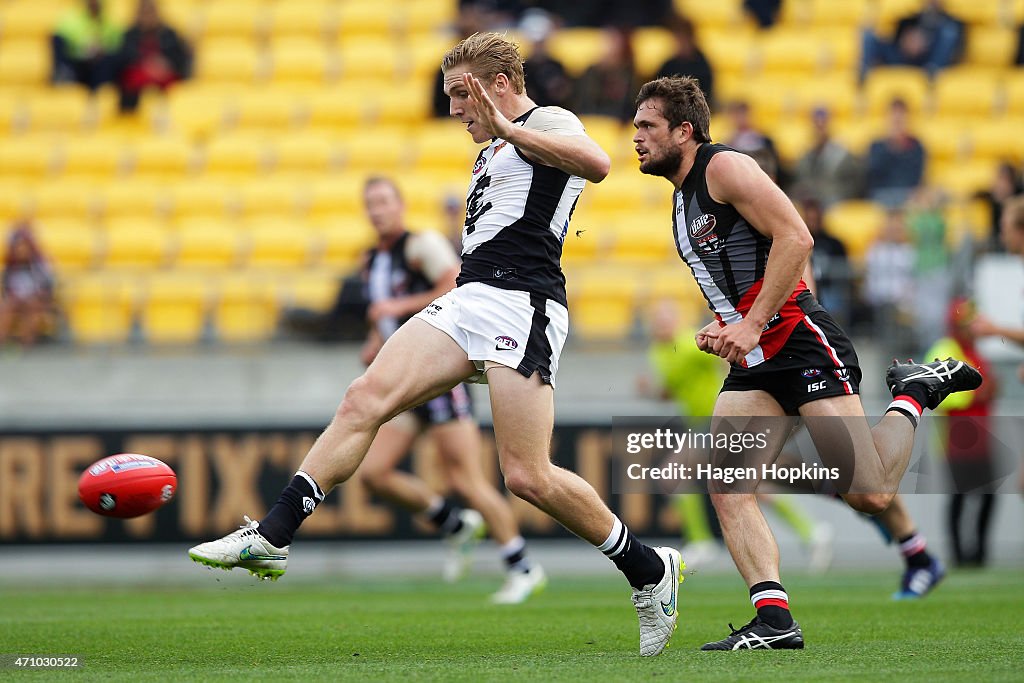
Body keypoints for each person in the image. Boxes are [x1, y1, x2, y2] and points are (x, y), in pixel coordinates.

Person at [191, 32, 683, 657]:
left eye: (461, 94)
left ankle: (648, 570)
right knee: (363, 398)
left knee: (527, 477)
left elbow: (598, 165)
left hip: (522, 302)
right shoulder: (492, 146)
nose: (454, 109)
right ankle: (272, 534)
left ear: (500, 84)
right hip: (470, 296)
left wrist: (510, 127)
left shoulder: (545, 119)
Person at [631, 75, 981, 650]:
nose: (636, 136)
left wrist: (750, 323)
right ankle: (774, 621)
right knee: (727, 484)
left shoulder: (724, 167)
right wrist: (727, 324)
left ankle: (913, 394)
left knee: (869, 494)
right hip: (757, 359)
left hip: (800, 343)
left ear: (684, 131)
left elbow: (797, 238)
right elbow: (751, 269)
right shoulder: (680, 198)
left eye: (647, 125)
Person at [356, 175, 546, 603]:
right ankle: (454, 524)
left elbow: (454, 287)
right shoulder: (371, 260)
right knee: (373, 473)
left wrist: (395, 309)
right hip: (405, 379)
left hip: (438, 376)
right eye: (370, 203)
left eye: (384, 200)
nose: (377, 209)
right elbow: (381, 312)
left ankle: (523, 566)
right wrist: (375, 341)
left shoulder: (419, 245)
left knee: (467, 480)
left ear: (400, 205)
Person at [924, 299, 998, 568]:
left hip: (982, 437)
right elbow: (933, 393)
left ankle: (978, 554)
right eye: (968, 324)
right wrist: (977, 394)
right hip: (956, 440)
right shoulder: (945, 349)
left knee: (988, 496)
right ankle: (960, 556)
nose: (973, 329)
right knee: (960, 497)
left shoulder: (976, 351)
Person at [114, 0, 192, 113]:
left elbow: (179, 58)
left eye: (150, 12)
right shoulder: (129, 35)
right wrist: (146, 64)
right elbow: (122, 60)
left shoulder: (169, 34)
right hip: (138, 78)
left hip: (165, 78)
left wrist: (164, 64)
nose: (148, 17)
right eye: (144, 13)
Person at [859, 0, 964, 82]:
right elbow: (896, 36)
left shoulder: (951, 21)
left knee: (949, 32)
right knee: (868, 34)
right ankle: (864, 75)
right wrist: (906, 42)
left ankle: (933, 71)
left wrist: (924, 45)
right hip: (901, 57)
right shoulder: (912, 15)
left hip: (927, 62)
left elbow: (955, 47)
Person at [790, 107, 863, 208]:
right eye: (817, 123)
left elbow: (853, 185)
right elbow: (801, 179)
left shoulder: (842, 154)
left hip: (835, 200)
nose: (820, 128)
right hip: (810, 201)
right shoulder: (804, 153)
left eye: (823, 124)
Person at [0, 223, 55, 347]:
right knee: (6, 308)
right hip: (16, 300)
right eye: (18, 247)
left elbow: (48, 287)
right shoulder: (10, 267)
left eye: (24, 246)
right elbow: (6, 289)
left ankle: (26, 345)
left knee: (34, 308)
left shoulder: (40, 265)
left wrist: (36, 297)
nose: (21, 250)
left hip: (35, 301)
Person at [51, 0, 123, 92]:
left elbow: (117, 46)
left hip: (100, 65)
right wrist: (84, 47)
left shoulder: (111, 23)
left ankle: (101, 90)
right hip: (78, 63)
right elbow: (60, 40)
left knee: (107, 63)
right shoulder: (72, 19)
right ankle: (63, 74)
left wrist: (102, 48)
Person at [866, 98, 925, 208]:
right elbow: (873, 174)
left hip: (908, 196)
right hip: (881, 196)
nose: (897, 121)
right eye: (894, 116)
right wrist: (891, 144)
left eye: (901, 116)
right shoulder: (877, 146)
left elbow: (915, 178)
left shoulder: (916, 146)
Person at [573, 26, 640, 123]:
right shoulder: (591, 72)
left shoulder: (629, 74)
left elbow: (629, 107)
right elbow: (584, 103)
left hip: (617, 124)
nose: (604, 48)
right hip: (592, 121)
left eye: (611, 43)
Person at [653, 16, 714, 107]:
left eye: (682, 39)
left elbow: (705, 94)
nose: (679, 43)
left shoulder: (702, 66)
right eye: (677, 39)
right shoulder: (669, 65)